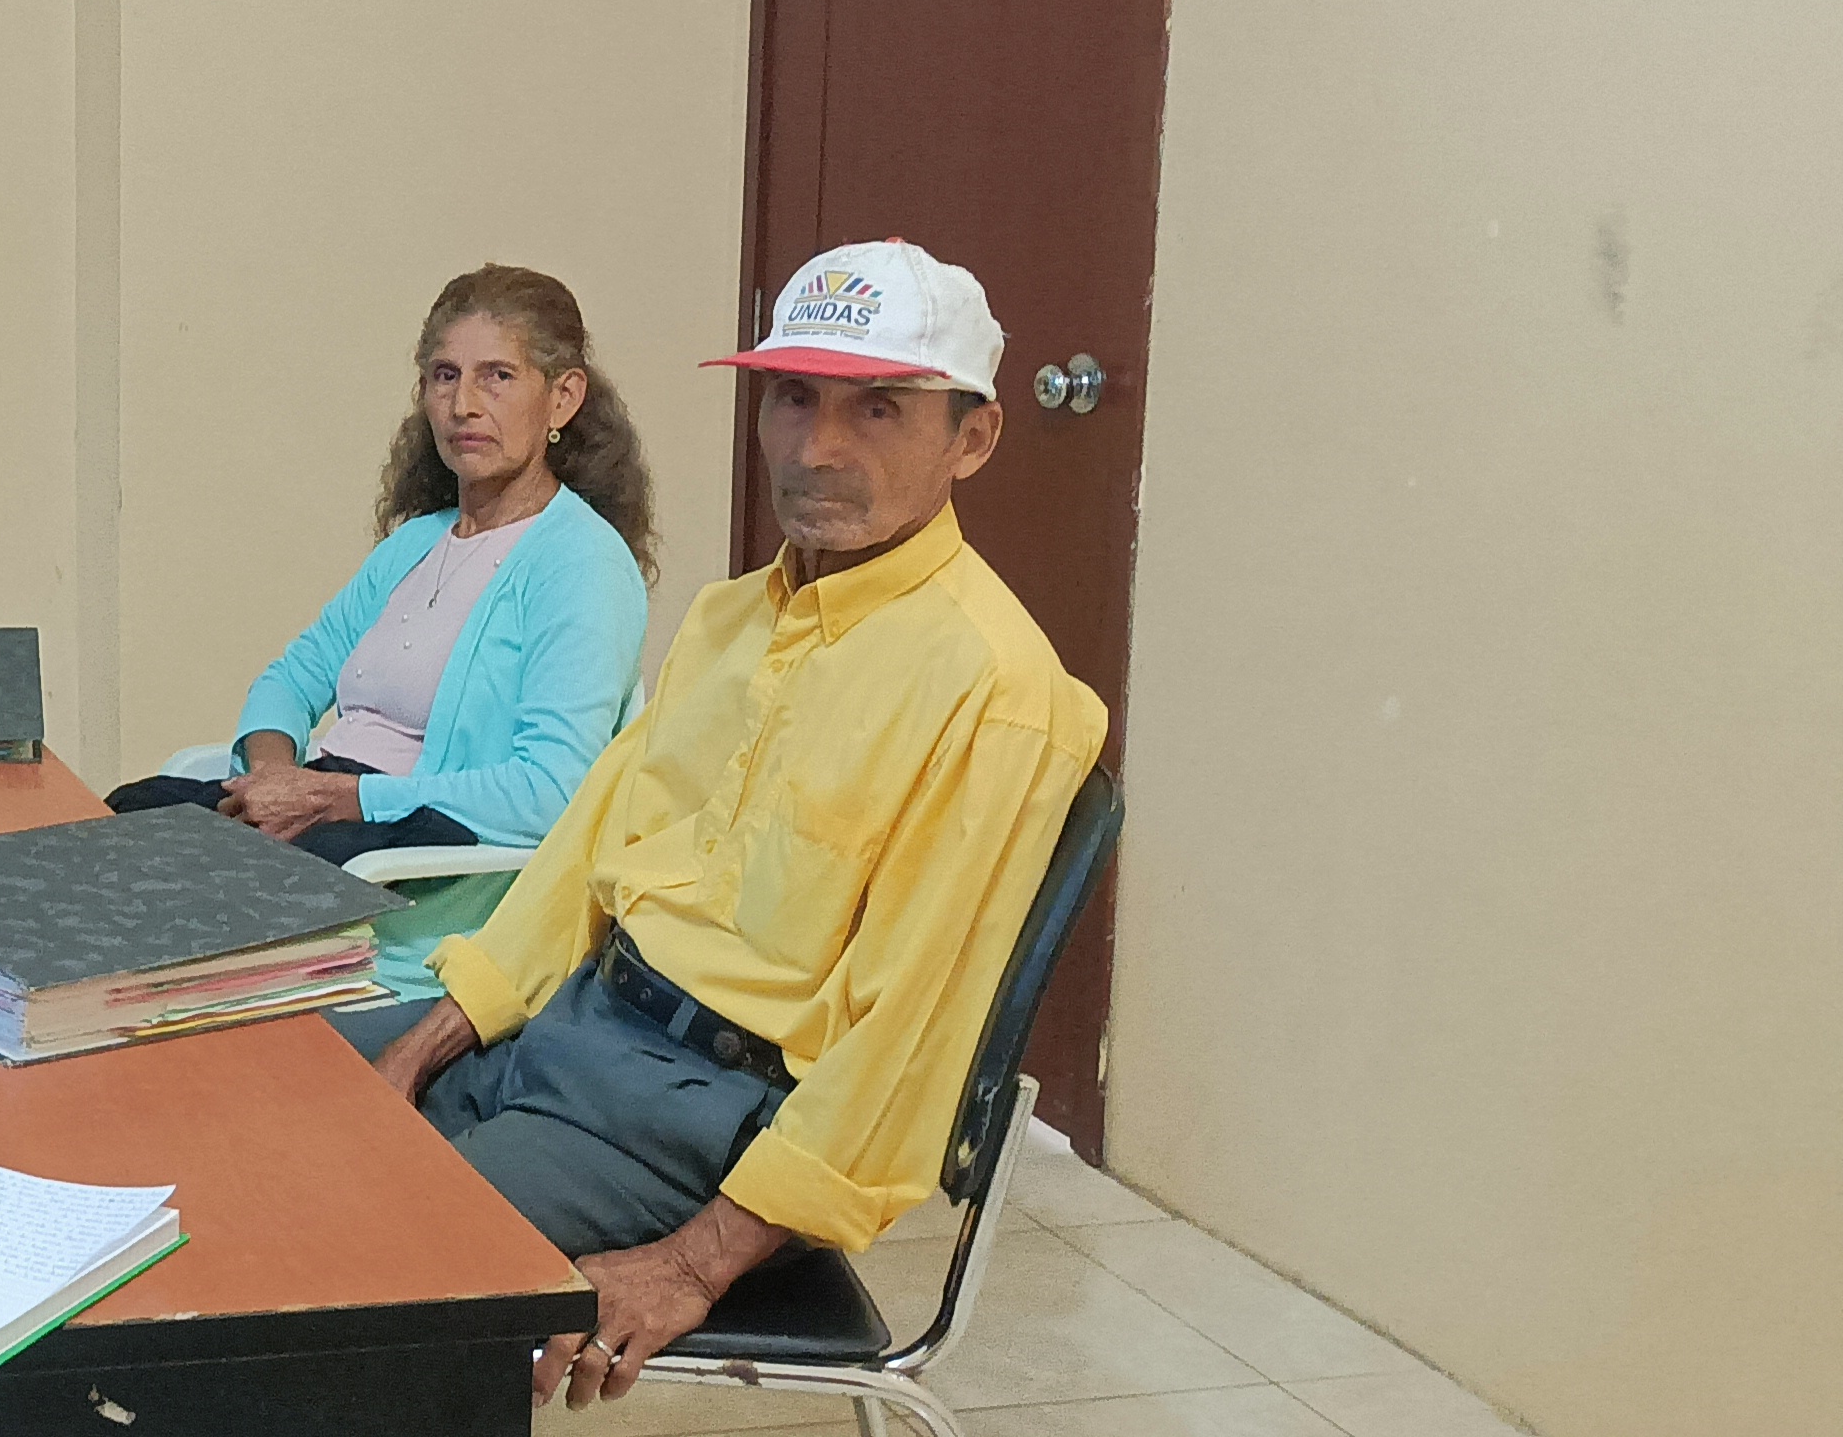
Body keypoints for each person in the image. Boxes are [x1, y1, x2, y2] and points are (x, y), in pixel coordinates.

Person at [347, 241, 1107, 1415]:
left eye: (876, 408)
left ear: (973, 438)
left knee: (358, 1282)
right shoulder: (731, 618)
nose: (816, 447)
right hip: (571, 1020)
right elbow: (580, 861)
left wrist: (694, 1264)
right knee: (261, 1113)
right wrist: (431, 1036)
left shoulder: (996, 695)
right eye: (792, 398)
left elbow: (911, 1035)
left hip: (697, 1115)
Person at [101, 266, 654, 998]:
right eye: (445, 375)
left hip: (414, 860)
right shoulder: (416, 543)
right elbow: (291, 679)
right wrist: (272, 779)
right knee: (114, 823)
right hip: (322, 804)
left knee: (147, 906)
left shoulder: (582, 565)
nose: (464, 404)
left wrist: (338, 799)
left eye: (497, 377)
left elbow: (551, 792)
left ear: (563, 397)